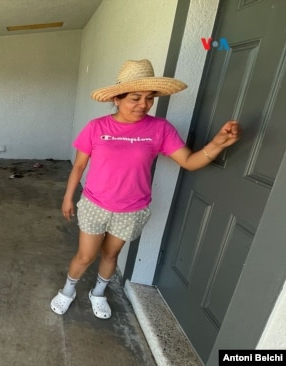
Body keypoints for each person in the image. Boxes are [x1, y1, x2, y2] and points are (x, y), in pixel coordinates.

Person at [50, 59, 241, 319]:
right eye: (135, 98)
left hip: (132, 209)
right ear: (116, 98)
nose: (144, 105)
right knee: (85, 256)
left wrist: (218, 144)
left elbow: (189, 161)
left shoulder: (159, 129)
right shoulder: (97, 127)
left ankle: (98, 293)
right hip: (95, 204)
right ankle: (68, 290)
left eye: (149, 99)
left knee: (111, 254)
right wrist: (68, 198)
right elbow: (79, 166)